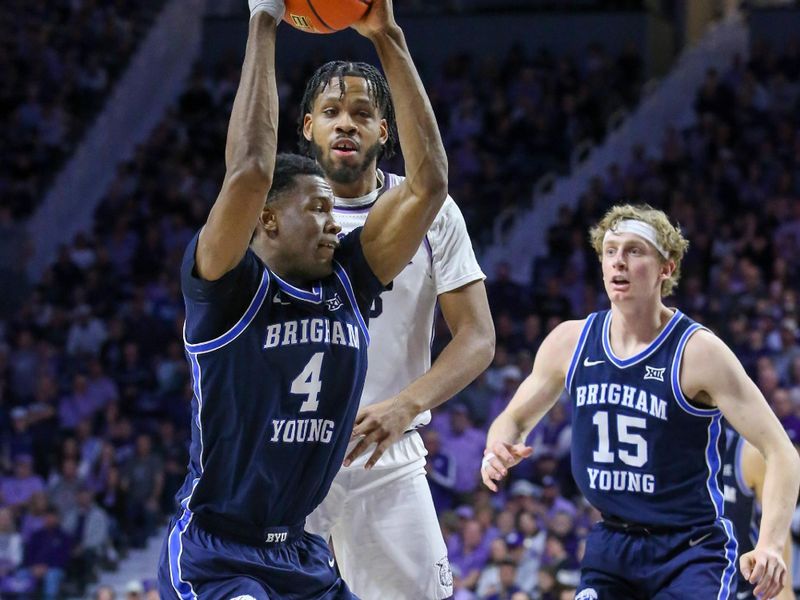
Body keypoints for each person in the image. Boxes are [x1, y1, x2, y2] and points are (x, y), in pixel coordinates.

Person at [156, 0, 448, 597]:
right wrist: (263, 20)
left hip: (298, 548)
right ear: (264, 220)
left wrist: (387, 35)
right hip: (221, 550)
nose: (334, 223)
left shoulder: (346, 279)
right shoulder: (225, 288)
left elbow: (430, 185)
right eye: (317, 209)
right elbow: (248, 172)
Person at [481, 204, 800, 599]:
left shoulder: (698, 353)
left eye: (634, 251)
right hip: (611, 544)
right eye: (611, 250)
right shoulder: (570, 341)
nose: (619, 262)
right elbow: (512, 419)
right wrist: (496, 447)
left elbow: (781, 451)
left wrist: (769, 543)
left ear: (667, 267)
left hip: (690, 550)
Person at [299, 2, 493, 599]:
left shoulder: (431, 210)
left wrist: (406, 405)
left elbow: (478, 338)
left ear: (386, 130)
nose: (346, 124)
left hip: (383, 453)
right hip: (290, 448)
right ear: (307, 125)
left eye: (362, 113)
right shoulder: (280, 214)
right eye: (331, 112)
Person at [723, 425, 796, 599]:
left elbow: (778, 532)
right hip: (690, 576)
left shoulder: (747, 454)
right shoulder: (669, 454)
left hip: (743, 585)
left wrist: (784, 591)